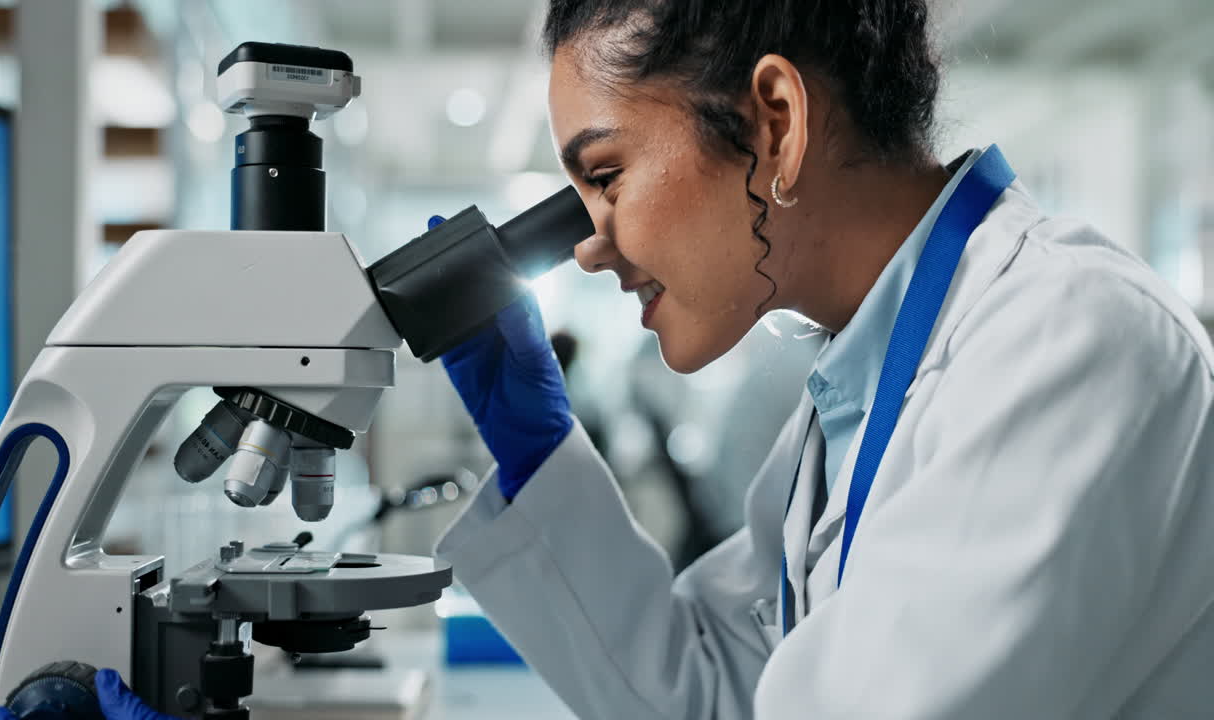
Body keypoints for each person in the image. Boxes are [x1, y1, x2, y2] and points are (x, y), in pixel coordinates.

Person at [433, 1, 1214, 718]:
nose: (589, 246)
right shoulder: (853, 396)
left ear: (775, 120)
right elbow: (713, 692)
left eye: (606, 176)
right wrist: (540, 459)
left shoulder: (1069, 342)